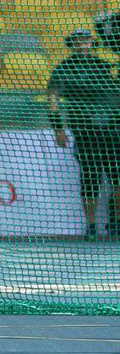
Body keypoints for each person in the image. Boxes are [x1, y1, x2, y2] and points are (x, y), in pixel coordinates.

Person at [47, 29, 120, 239]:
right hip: (85, 131)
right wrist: (58, 127)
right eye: (77, 41)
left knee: (117, 178)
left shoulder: (104, 67)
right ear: (72, 45)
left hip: (112, 130)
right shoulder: (63, 69)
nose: (82, 45)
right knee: (90, 179)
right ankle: (91, 226)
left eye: (86, 41)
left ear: (91, 43)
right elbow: (52, 99)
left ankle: (116, 222)